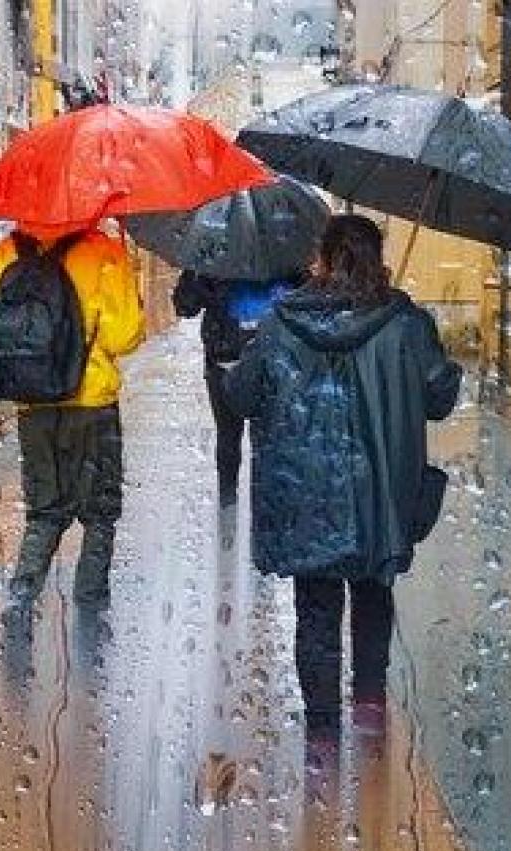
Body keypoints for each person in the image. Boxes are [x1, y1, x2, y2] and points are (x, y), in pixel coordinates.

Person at [224, 214, 462, 741]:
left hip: (306, 497)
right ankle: (371, 709)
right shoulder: (405, 322)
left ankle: (323, 736)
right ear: (377, 260)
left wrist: (245, 360)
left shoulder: (280, 322)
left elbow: (240, 398)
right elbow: (440, 399)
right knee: (373, 592)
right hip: (379, 493)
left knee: (315, 611)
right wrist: (432, 354)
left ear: (324, 260)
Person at [0, 221, 146, 632]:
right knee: (100, 511)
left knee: (45, 511)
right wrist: (129, 285)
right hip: (92, 403)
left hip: (34, 403)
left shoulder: (6, 251)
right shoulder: (105, 251)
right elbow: (124, 337)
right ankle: (91, 606)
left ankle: (21, 596)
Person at [172, 271, 305, 506]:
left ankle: (237, 512)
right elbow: (185, 305)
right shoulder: (284, 255)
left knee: (243, 439)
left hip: (246, 358)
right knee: (247, 441)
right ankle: (241, 511)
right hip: (246, 360)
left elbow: (185, 305)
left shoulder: (215, 256)